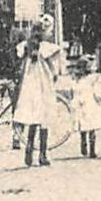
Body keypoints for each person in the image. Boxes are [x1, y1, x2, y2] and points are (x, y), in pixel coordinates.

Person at [13, 14, 65, 167]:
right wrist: (55, 77)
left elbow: (21, 60)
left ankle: (29, 148)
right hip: (44, 85)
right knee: (44, 118)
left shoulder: (27, 46)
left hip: (30, 86)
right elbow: (55, 70)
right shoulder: (48, 48)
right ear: (46, 32)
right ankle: (42, 153)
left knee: (33, 118)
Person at [68, 56, 101, 159]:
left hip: (78, 104)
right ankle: (92, 149)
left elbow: (71, 92)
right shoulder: (92, 79)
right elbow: (97, 92)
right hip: (90, 104)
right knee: (91, 127)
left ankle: (83, 144)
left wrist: (72, 102)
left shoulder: (75, 79)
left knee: (82, 125)